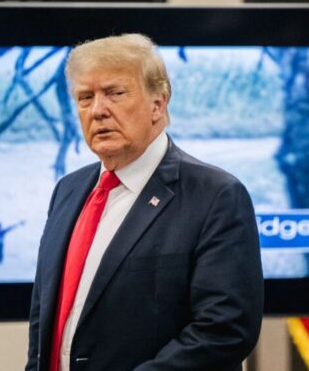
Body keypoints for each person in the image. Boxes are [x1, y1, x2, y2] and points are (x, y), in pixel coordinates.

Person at [26, 34, 263, 371]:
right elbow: (42, 319)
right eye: (85, 97)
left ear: (158, 103)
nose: (98, 110)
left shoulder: (216, 195)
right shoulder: (68, 190)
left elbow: (224, 330)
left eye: (115, 93)